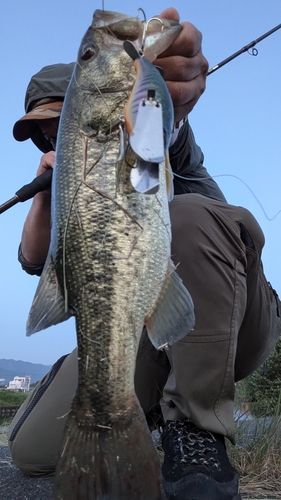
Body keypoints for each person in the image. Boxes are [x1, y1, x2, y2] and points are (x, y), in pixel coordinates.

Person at [8, 8, 281, 500]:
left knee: (192, 216)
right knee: (32, 452)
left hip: (233, 322)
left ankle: (197, 429)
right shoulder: (67, 185)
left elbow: (158, 138)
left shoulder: (155, 135)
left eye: (56, 123)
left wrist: (167, 98)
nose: (51, 138)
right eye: (44, 137)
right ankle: (143, 407)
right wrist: (54, 186)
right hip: (142, 331)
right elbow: (34, 262)